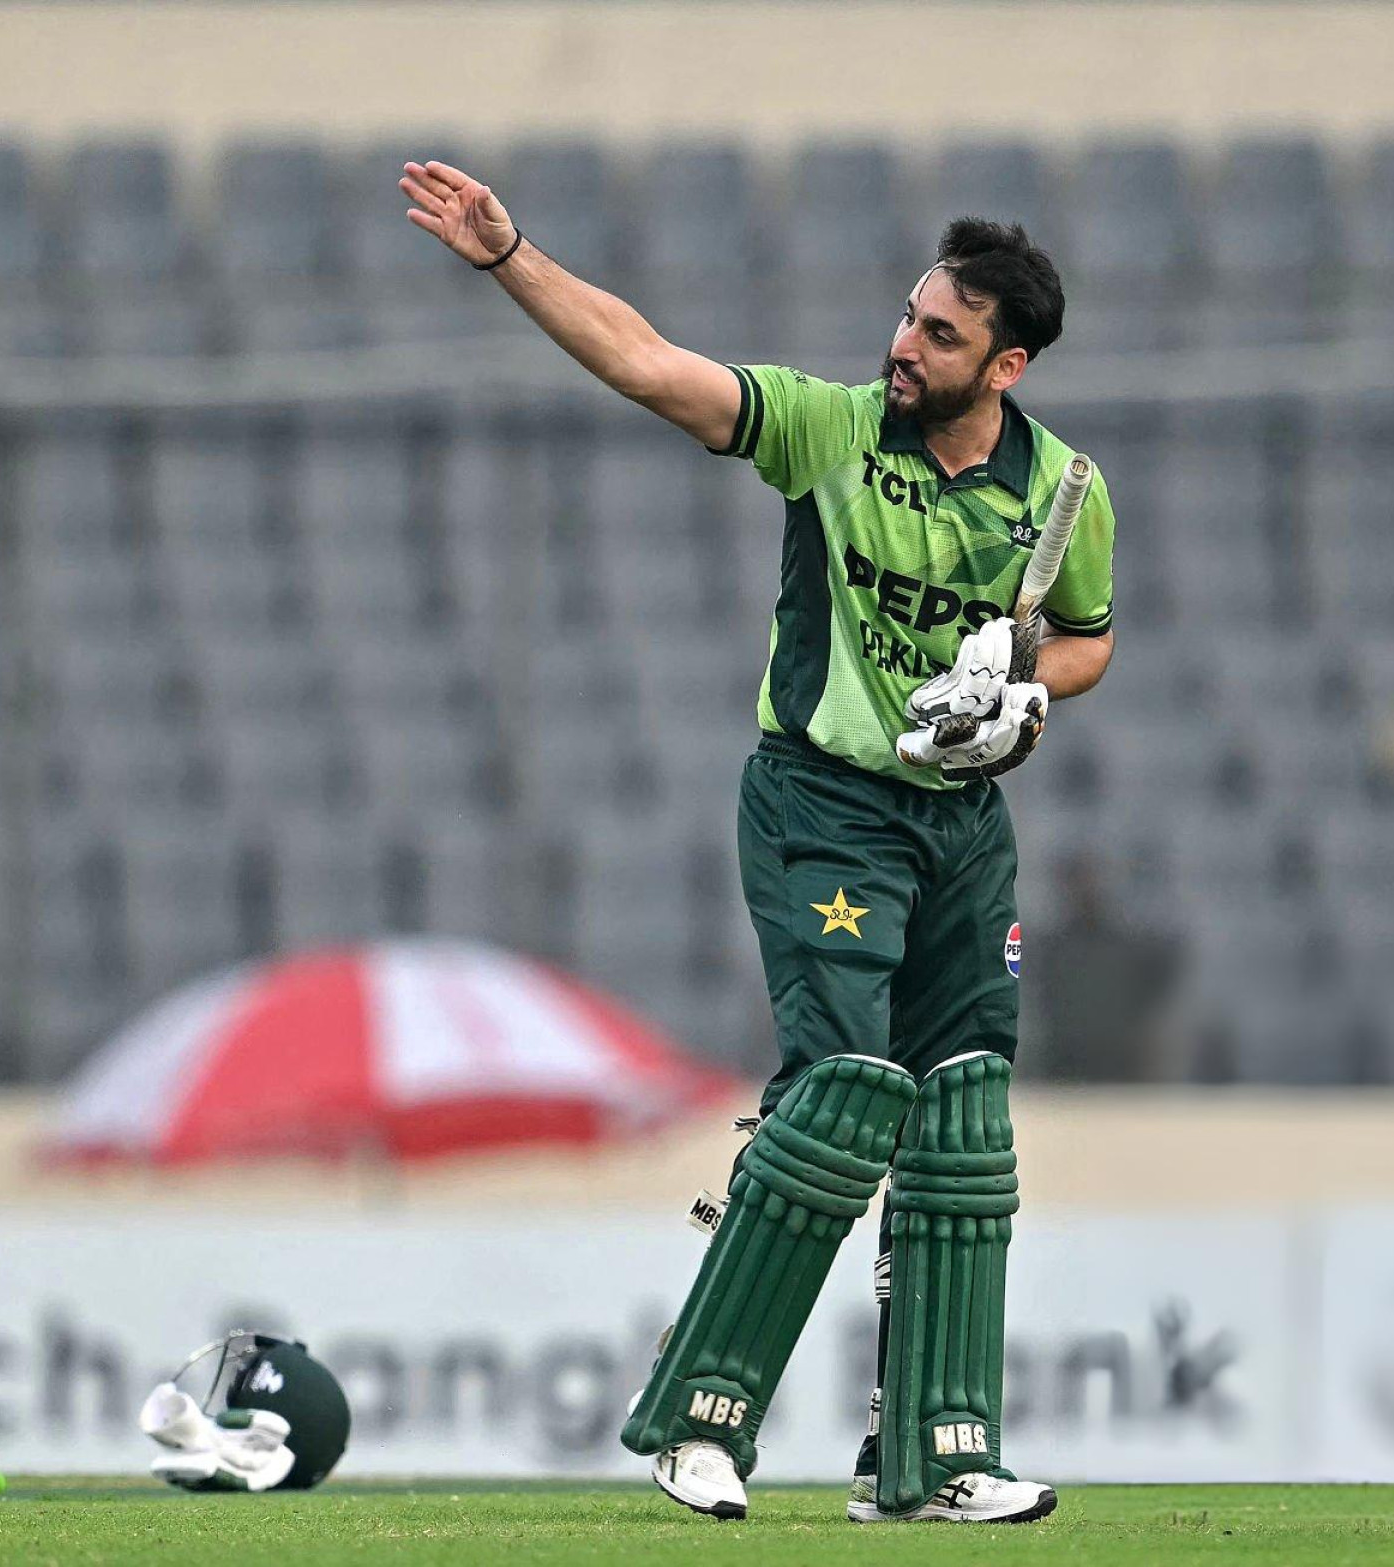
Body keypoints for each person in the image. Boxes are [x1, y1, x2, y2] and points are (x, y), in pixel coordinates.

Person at [399, 161, 1115, 1524]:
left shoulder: (1066, 490)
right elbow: (651, 365)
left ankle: (932, 1457)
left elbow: (1087, 637)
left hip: (964, 827)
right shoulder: (831, 430)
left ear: (1006, 364)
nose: (905, 345)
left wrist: (1023, 689)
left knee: (962, 1118)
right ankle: (700, 1417)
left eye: (941, 335)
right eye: (909, 316)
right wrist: (509, 254)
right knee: (842, 1092)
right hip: (824, 803)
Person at [1024, 854, 1185, 1081]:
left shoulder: (1127, 945)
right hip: (1067, 1063)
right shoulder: (1053, 948)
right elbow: (1044, 998)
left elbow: (1163, 972)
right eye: (1077, 881)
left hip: (1119, 1064)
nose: (1085, 889)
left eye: (1090, 880)